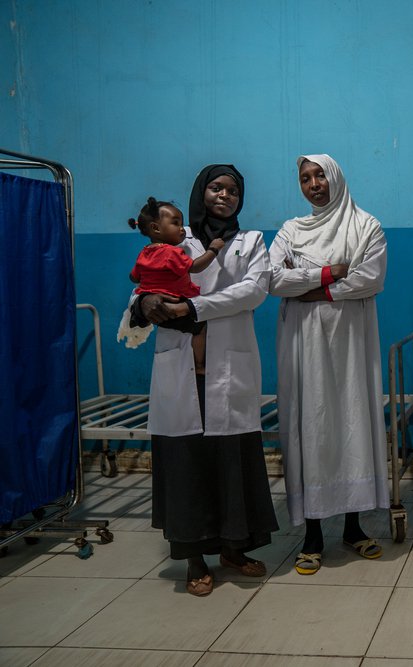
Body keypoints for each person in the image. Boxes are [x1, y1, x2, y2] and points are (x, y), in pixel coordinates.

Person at [132, 164, 278, 596]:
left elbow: (254, 290)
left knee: (233, 460)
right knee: (187, 463)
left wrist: (193, 309)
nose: (224, 195)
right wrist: (148, 304)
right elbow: (144, 286)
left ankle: (234, 548)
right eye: (216, 187)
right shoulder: (176, 238)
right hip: (182, 368)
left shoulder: (251, 241)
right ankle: (195, 559)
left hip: (229, 370)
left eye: (233, 190)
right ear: (201, 192)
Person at [269, 154, 389, 575]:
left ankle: (354, 527)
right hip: (303, 345)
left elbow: (370, 279)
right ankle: (313, 534)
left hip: (351, 344)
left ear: (335, 176)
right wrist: (330, 273)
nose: (314, 183)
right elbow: (274, 280)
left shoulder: (366, 226)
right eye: (305, 178)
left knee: (351, 421)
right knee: (311, 428)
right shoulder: (290, 230)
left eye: (320, 175)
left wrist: (312, 288)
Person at [127, 197, 225, 373]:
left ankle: (137, 319)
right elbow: (195, 267)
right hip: (174, 301)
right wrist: (213, 250)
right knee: (201, 327)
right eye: (175, 223)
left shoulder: (144, 253)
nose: (182, 229)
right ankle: (200, 364)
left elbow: (134, 277)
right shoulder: (171, 252)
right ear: (156, 228)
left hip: (154, 304)